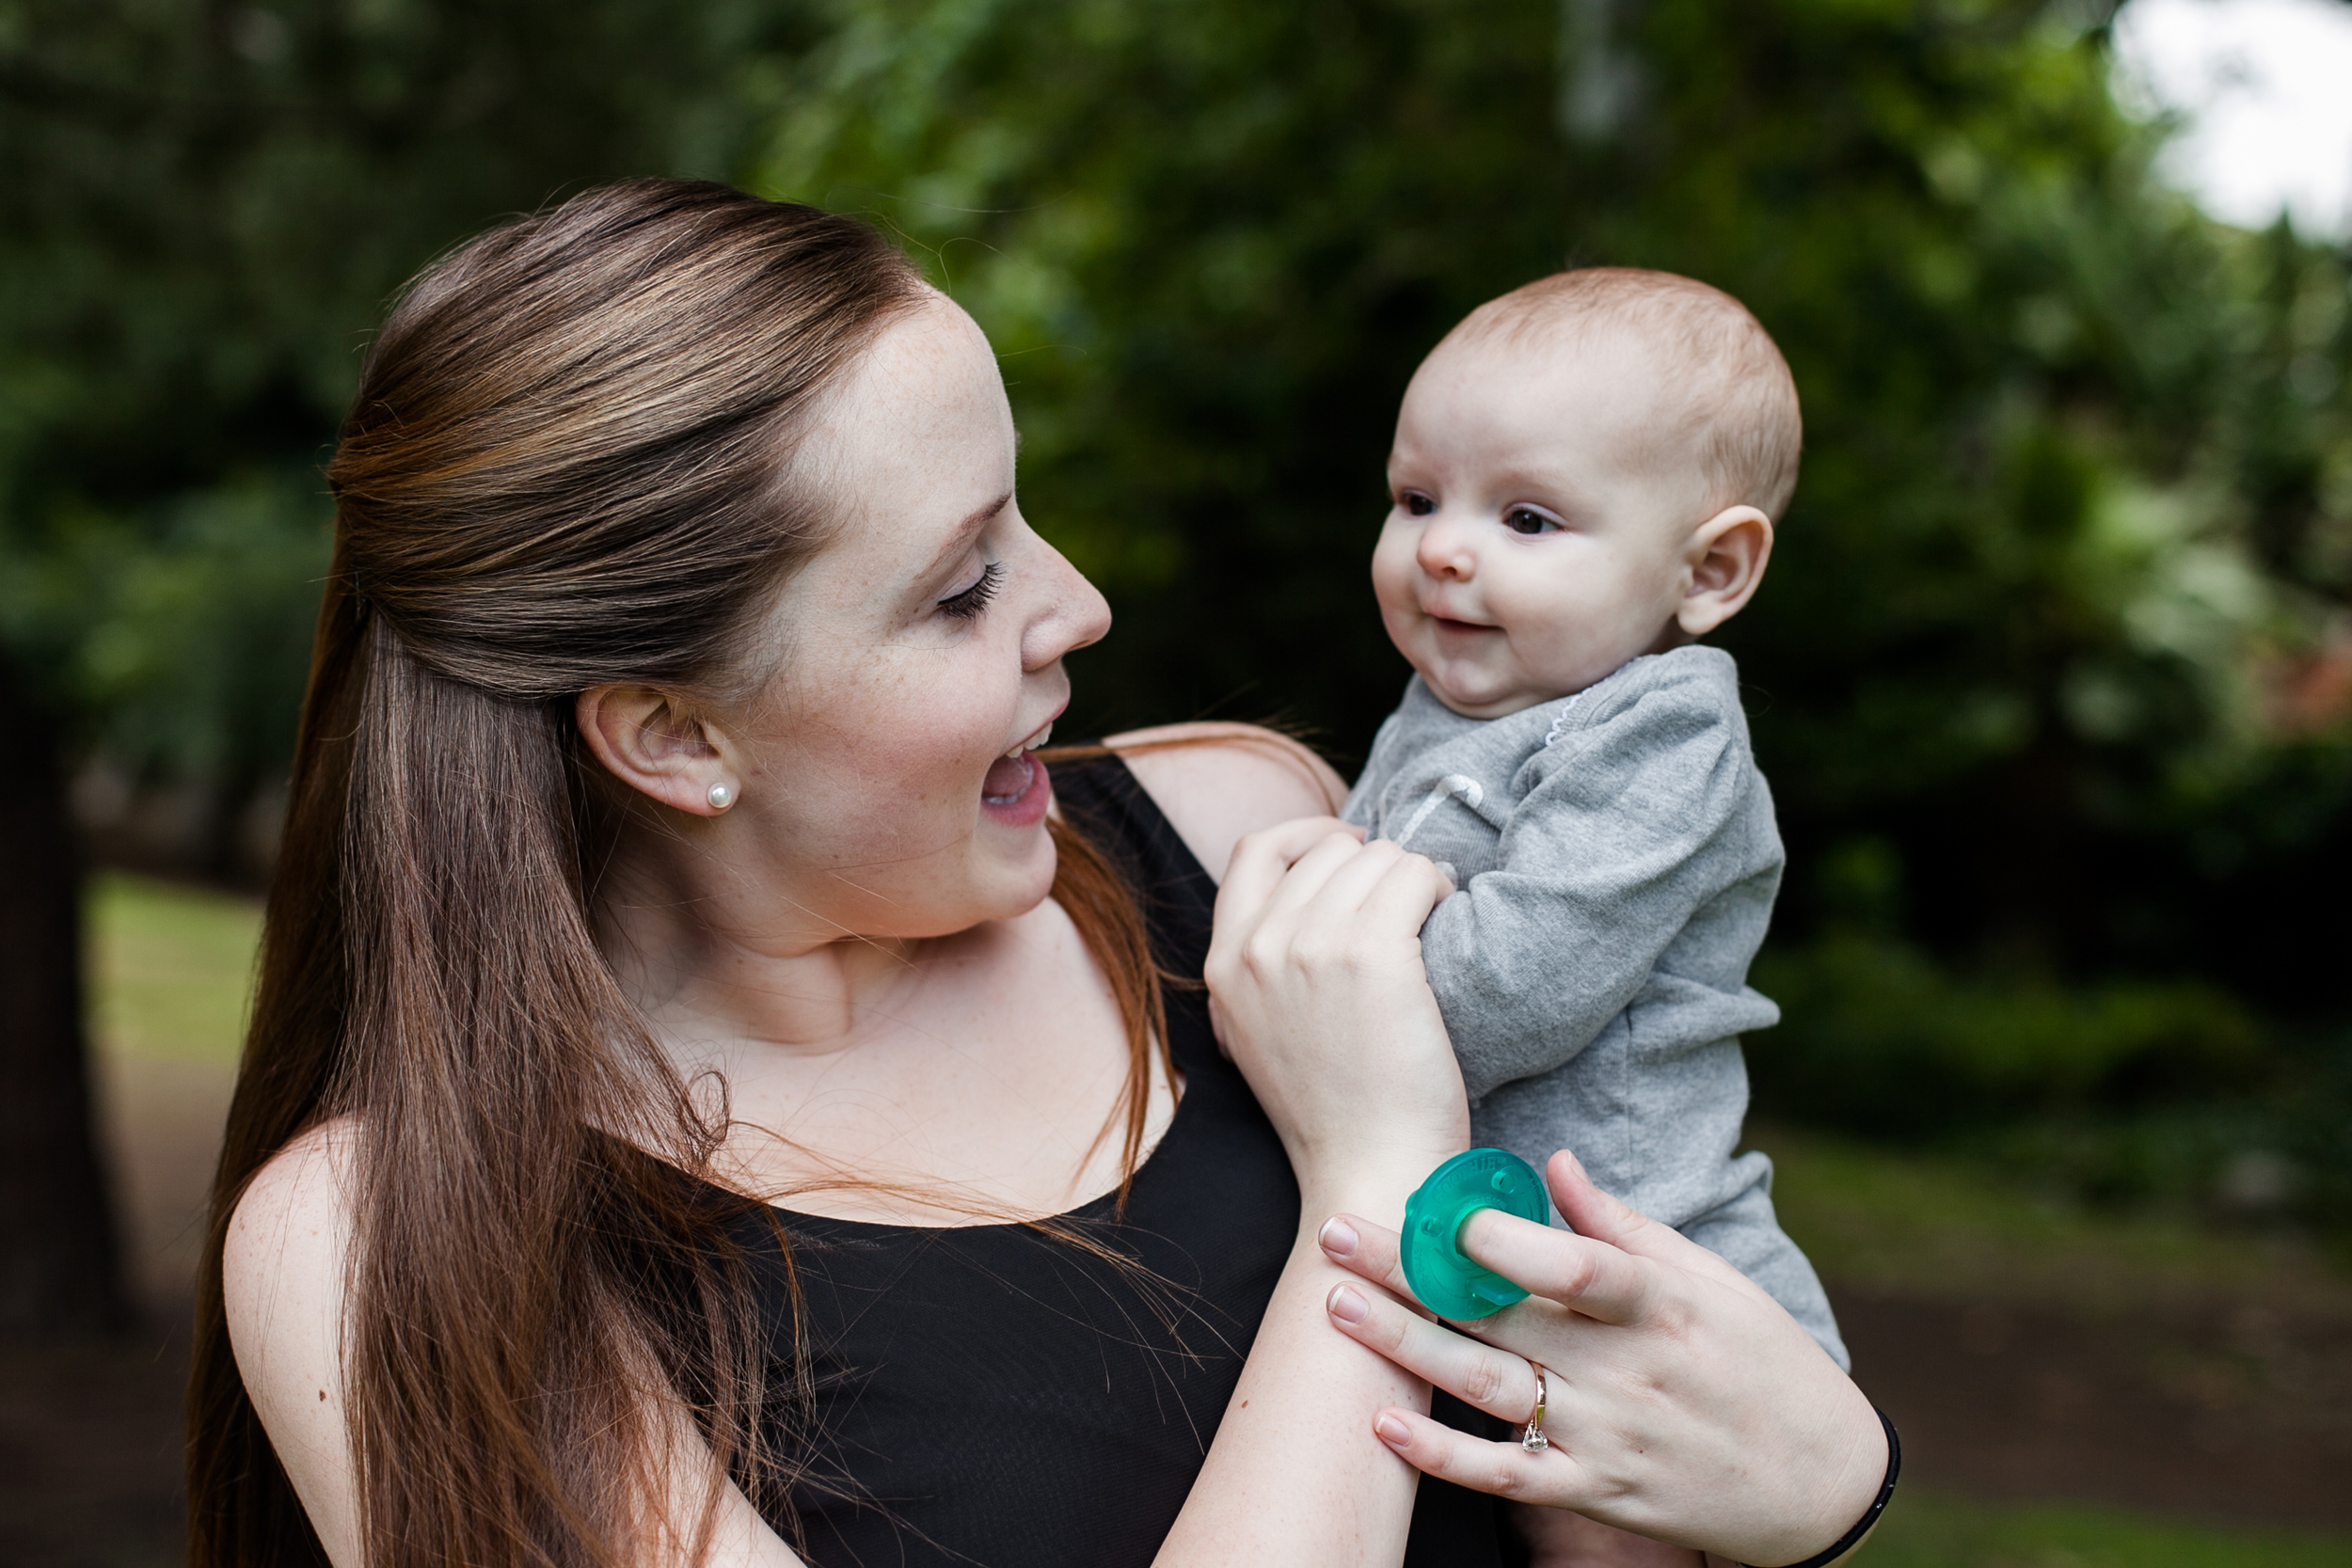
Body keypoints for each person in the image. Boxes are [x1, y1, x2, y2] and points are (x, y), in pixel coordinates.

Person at [193, 180, 1886, 1568]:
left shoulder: (1248, 843)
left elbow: (1651, 1322)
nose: (1077, 608)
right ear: (674, 733)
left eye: (1030, 522)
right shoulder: (395, 1245)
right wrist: (1374, 1173)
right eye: (959, 587)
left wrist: (1820, 1479)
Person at [1341, 269, 1842, 1370]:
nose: (1439, 547)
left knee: (1600, 1536)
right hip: (1496, 1251)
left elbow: (1501, 995)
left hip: (1637, 1259)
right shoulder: (1442, 706)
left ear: (1707, 569)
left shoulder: (1665, 736)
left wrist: (1314, 955)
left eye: (1525, 516)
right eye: (1416, 498)